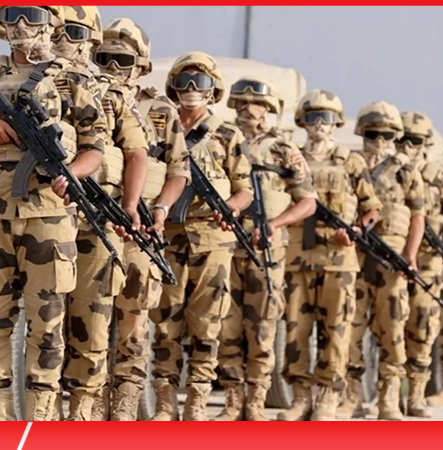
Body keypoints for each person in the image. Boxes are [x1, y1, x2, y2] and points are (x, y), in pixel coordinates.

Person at [0, 5, 107, 421]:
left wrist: (71, 174)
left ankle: (40, 419)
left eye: (31, 15)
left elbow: (95, 149)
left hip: (48, 216)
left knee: (47, 324)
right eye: (12, 14)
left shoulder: (73, 79)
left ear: (51, 23)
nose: (20, 25)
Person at [46, 6, 151, 421]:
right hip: (42, 214)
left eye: (73, 33)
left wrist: (130, 206)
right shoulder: (39, 82)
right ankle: (44, 408)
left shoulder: (110, 95)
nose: (62, 40)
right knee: (45, 319)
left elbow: (137, 153)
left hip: (97, 219)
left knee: (93, 317)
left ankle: (85, 411)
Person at [91, 17, 191, 421]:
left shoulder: (160, 110)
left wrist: (162, 208)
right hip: (93, 223)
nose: (114, 68)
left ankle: (126, 403)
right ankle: (90, 402)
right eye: (105, 58)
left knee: (134, 318)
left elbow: (179, 172)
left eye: (124, 60)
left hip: (140, 227)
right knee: (88, 318)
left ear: (142, 66)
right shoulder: (85, 96)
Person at [149, 51, 253, 421]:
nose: (192, 88)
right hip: (168, 235)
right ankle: (165, 402)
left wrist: (231, 207)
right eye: (184, 81)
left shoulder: (227, 134)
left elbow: (245, 189)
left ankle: (196, 400)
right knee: (166, 321)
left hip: (212, 239)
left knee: (207, 323)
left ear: (213, 90)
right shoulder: (160, 128)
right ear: (173, 88)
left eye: (201, 82)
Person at [214, 77, 317, 421]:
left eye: (253, 103)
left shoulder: (283, 149)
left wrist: (276, 224)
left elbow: (308, 202)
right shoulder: (221, 139)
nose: (246, 108)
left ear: (268, 108)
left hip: (265, 252)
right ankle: (233, 400)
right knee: (226, 326)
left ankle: (256, 400)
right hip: (226, 247)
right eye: (240, 102)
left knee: (262, 328)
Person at [277, 89, 381, 421]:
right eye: (312, 117)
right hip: (298, 257)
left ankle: (328, 396)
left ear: (336, 123)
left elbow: (372, 208)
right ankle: (300, 396)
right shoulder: (291, 159)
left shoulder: (350, 161)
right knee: (295, 331)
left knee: (336, 331)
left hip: (339, 258)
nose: (319, 124)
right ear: (302, 122)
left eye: (326, 118)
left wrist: (357, 230)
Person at [341, 101, 426, 421]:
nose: (379, 141)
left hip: (391, 258)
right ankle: (351, 395)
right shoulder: (349, 163)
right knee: (350, 326)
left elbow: (418, 217)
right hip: (355, 256)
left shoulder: (406, 170)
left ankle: (389, 397)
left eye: (387, 135)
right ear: (362, 133)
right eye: (372, 134)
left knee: (392, 326)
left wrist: (411, 256)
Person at [397, 111, 443, 417]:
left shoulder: (440, 176)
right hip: (393, 256)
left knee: (423, 325)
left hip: (428, 261)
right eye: (402, 139)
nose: (407, 146)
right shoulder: (390, 171)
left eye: (414, 140)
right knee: (390, 325)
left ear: (425, 143)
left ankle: (416, 396)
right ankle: (389, 395)